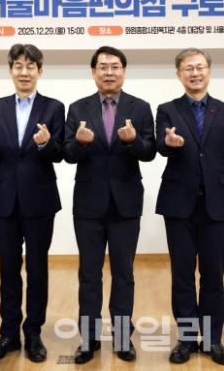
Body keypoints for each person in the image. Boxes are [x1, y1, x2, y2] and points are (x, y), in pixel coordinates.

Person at [63, 46, 156, 364]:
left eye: (115, 66)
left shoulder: (140, 107)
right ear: (93, 72)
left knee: (123, 273)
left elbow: (149, 151)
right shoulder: (78, 108)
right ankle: (88, 339)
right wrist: (80, 144)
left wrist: (132, 141)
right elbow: (67, 154)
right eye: (102, 67)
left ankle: (122, 337)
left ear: (124, 71)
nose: (109, 72)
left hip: (126, 204)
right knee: (89, 274)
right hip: (88, 204)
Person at [156, 48, 224, 366]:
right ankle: (186, 339)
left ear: (209, 71)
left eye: (200, 67)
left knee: (213, 275)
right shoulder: (167, 110)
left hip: (216, 204)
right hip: (178, 204)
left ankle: (212, 339)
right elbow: (159, 144)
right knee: (182, 275)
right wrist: (169, 144)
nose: (195, 73)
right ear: (179, 74)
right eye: (188, 68)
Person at [0, 44, 65, 363]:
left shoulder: (53, 107)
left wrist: (46, 143)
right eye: (18, 66)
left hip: (40, 198)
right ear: (10, 71)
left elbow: (59, 153)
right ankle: (8, 334)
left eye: (31, 66)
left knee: (37, 268)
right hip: (4, 198)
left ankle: (34, 333)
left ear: (40, 71)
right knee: (8, 269)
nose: (24, 72)